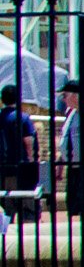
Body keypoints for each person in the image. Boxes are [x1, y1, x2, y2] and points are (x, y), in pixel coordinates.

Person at [54, 82, 84, 218]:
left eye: (65, 95)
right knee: (72, 207)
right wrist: (60, 162)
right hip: (73, 168)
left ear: (76, 95)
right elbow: (66, 140)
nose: (63, 99)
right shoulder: (71, 113)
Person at [0, 85, 37, 220]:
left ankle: (4, 238)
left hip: (3, 169)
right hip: (21, 168)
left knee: (6, 209)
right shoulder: (23, 117)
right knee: (26, 206)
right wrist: (31, 158)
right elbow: (28, 141)